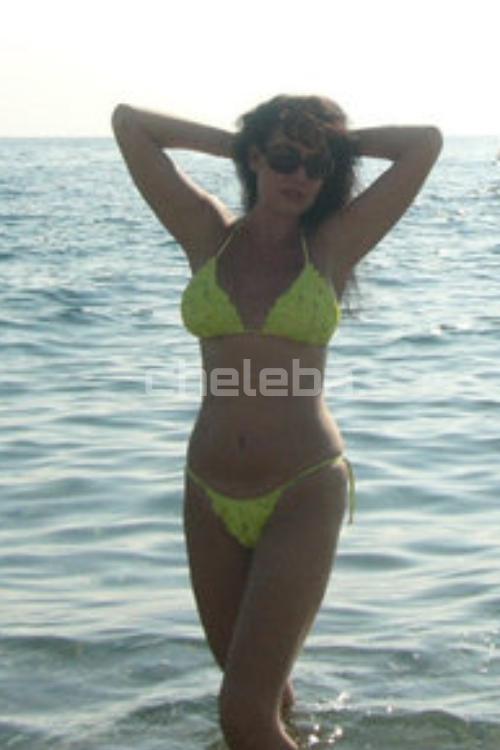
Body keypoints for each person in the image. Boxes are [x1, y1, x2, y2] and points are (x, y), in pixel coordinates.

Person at [111, 95, 442, 750]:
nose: (301, 176)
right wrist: (237, 144)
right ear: (257, 157)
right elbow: (130, 124)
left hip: (303, 488)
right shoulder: (207, 234)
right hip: (208, 492)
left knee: (243, 712)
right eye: (286, 158)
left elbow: (424, 143)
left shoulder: (332, 245)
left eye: (317, 166)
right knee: (262, 696)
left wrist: (334, 145)